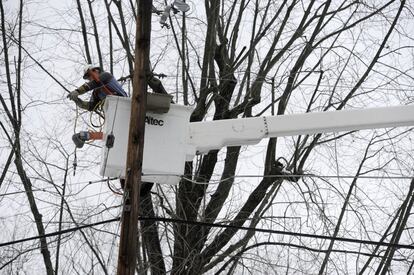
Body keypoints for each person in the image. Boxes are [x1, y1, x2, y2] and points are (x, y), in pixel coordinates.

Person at [67, 64, 127, 148]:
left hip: (124, 104)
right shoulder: (96, 92)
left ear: (96, 70)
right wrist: (78, 101)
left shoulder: (105, 76)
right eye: (88, 78)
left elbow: (92, 84)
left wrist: (77, 91)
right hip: (113, 113)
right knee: (112, 133)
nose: (89, 79)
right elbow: (91, 106)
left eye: (89, 76)